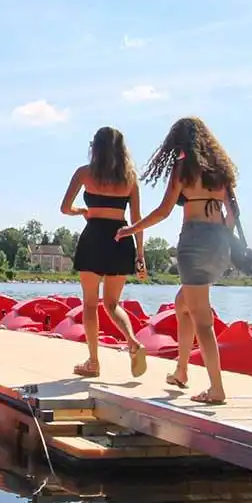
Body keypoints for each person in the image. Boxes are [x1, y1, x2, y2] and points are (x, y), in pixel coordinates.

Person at [115, 116, 244, 405]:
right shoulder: (221, 171)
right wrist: (221, 237)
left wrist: (131, 229)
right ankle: (181, 371)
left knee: (203, 320)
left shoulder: (184, 168)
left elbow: (163, 211)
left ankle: (217, 389)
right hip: (219, 244)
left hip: (195, 243)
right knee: (181, 304)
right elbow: (233, 214)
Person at [59, 126, 150, 379]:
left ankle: (93, 362)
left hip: (94, 237)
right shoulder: (130, 178)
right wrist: (140, 254)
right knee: (112, 304)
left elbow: (65, 208)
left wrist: (82, 212)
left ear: (95, 148)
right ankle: (132, 342)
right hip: (121, 239)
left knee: (90, 304)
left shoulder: (84, 173)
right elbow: (137, 220)